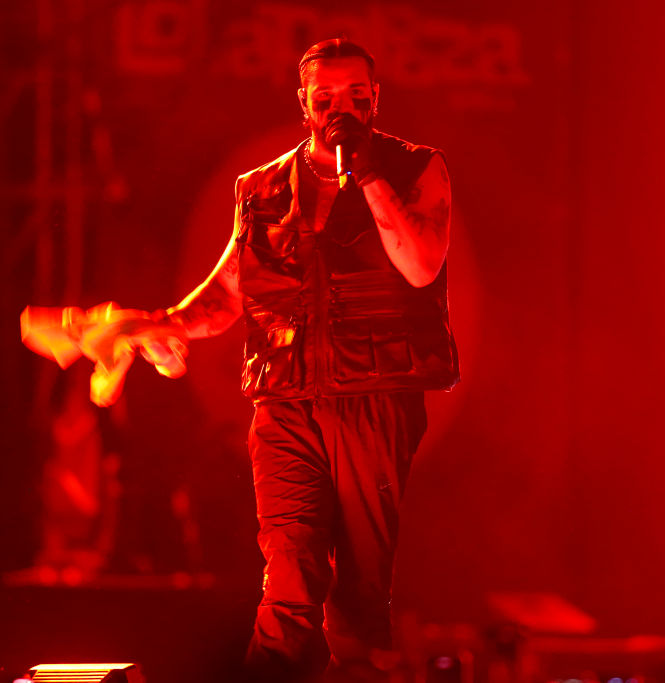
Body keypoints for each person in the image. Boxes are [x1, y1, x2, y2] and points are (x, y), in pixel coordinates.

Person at [151, 39, 460, 681]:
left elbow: (421, 265)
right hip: (285, 402)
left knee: (360, 593)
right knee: (288, 568)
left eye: (356, 95)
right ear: (304, 102)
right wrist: (165, 327)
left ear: (376, 99)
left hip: (376, 397)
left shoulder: (417, 168)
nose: (340, 107)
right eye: (326, 97)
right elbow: (231, 287)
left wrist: (367, 171)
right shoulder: (260, 189)